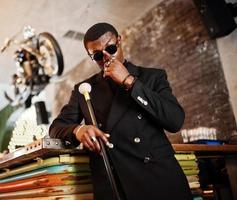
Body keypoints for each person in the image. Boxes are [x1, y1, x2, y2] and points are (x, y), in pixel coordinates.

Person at [49, 22, 192, 200]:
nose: (106, 58)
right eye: (98, 55)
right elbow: (56, 127)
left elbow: (175, 120)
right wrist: (79, 130)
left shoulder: (152, 77)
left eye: (111, 48)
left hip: (159, 181)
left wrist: (129, 81)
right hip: (115, 185)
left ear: (119, 41)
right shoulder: (84, 89)